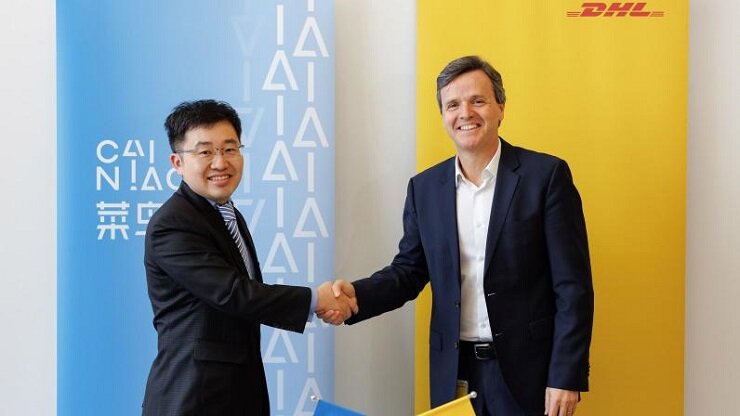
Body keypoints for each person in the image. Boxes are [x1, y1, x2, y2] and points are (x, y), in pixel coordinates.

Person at [324, 56, 594, 416]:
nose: (465, 113)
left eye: (477, 101)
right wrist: (356, 297)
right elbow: (408, 272)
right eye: (452, 105)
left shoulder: (545, 177)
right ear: (443, 115)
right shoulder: (424, 189)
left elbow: (573, 288)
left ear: (500, 107)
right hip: (454, 372)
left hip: (530, 374)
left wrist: (566, 375)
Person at [142, 99, 356, 415]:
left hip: (235, 393)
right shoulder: (172, 224)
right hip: (194, 398)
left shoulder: (225, 214)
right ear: (178, 162)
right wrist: (315, 299)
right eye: (205, 152)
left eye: (230, 149)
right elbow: (233, 292)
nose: (220, 162)